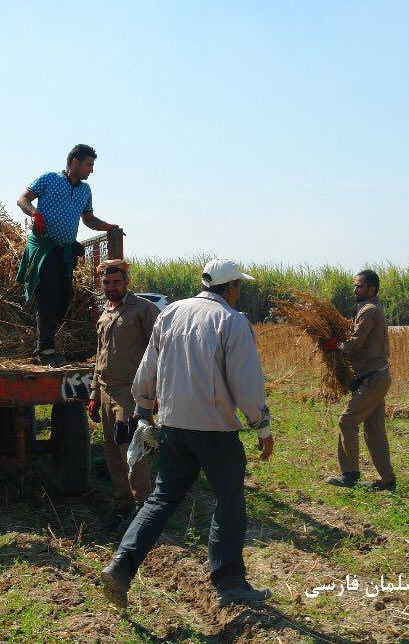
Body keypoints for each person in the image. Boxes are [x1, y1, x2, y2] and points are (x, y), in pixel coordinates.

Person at [100, 259, 274, 609]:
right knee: (229, 502)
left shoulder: (172, 312)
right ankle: (230, 584)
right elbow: (246, 381)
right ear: (232, 287)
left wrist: (144, 411)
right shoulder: (232, 321)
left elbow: (148, 367)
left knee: (161, 499)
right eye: (240, 286)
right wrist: (261, 426)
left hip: (174, 427)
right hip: (214, 431)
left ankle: (121, 566)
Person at [16, 144, 118, 366]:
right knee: (49, 295)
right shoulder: (49, 179)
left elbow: (88, 219)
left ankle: (44, 345)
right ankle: (44, 349)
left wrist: (107, 226)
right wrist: (35, 215)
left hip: (65, 251)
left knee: (64, 298)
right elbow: (23, 199)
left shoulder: (84, 190)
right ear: (75, 162)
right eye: (89, 164)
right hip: (44, 247)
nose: (91, 170)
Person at [88, 259, 160, 520]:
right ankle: (122, 506)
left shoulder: (144, 309)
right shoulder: (106, 312)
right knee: (112, 454)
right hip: (107, 393)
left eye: (116, 282)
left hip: (130, 396)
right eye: (106, 283)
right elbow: (100, 356)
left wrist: (154, 395)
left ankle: (144, 510)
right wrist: (95, 393)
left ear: (127, 282)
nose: (111, 287)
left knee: (132, 452)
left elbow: (159, 352)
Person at [321, 270, 396, 490]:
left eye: (360, 286)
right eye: (355, 286)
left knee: (347, 420)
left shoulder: (369, 310)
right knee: (374, 430)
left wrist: (336, 346)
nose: (355, 289)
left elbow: (355, 344)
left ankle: (349, 474)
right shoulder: (372, 309)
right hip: (376, 376)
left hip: (373, 379)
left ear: (371, 289)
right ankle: (387, 480)